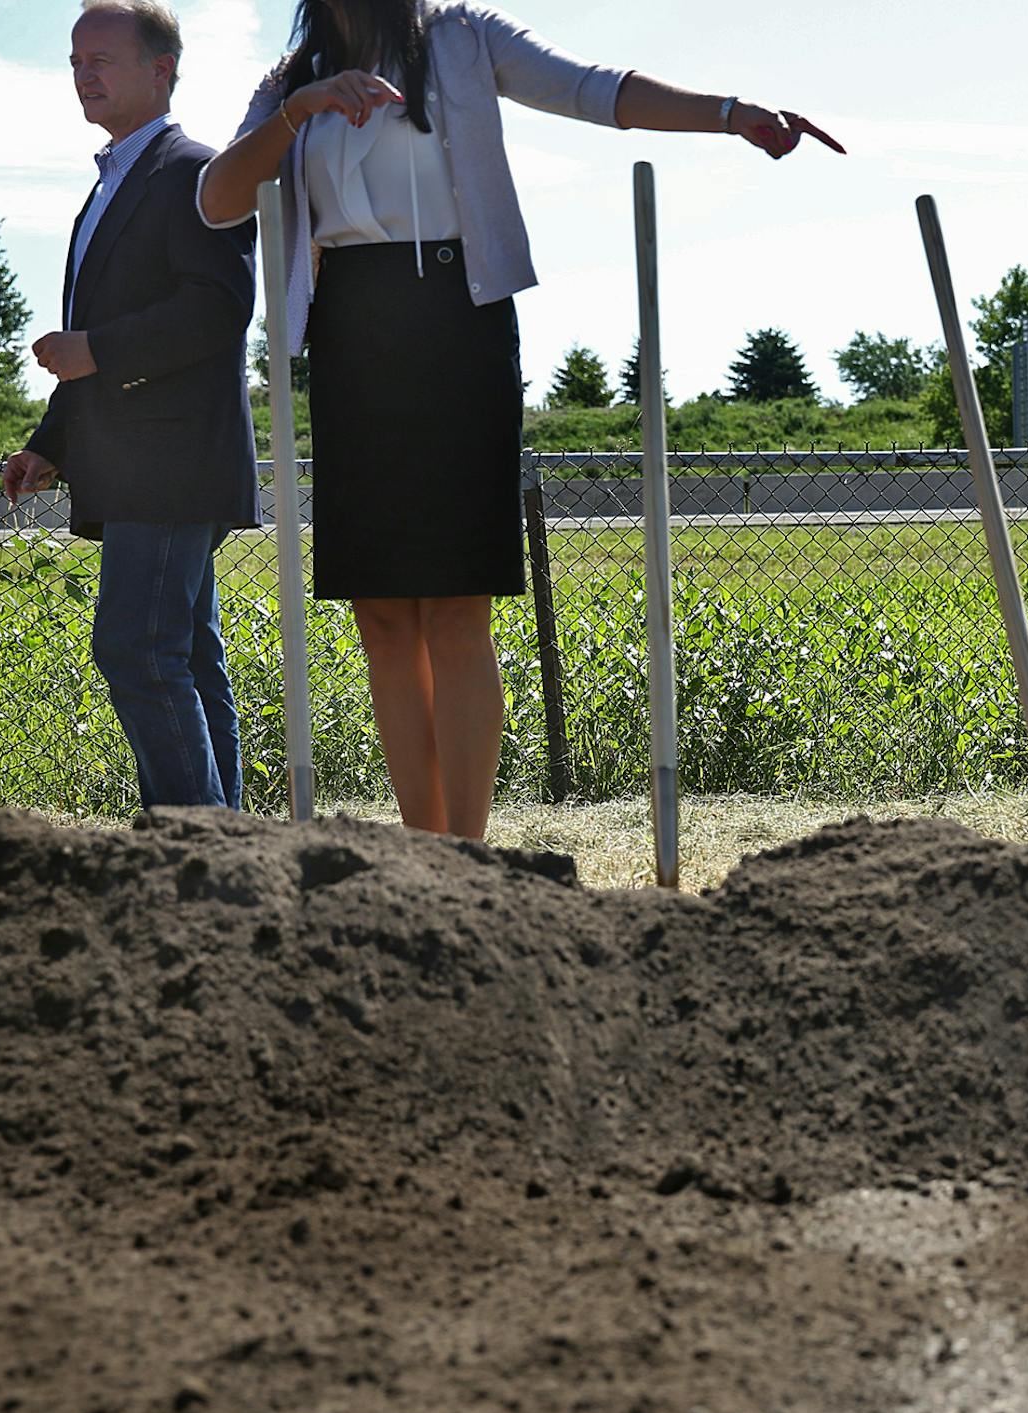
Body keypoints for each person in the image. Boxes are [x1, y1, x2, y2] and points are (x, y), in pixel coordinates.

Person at [197, 0, 840, 841]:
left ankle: (465, 852)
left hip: (459, 321)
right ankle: (423, 854)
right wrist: (299, 112)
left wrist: (726, 114)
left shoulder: (464, 38)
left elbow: (594, 90)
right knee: (383, 614)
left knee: (457, 604)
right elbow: (216, 200)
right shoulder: (289, 84)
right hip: (350, 335)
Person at [4, 0, 261, 811]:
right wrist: (53, 442)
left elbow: (219, 307)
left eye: (102, 60)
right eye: (75, 62)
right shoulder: (110, 184)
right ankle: (226, 848)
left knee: (138, 649)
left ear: (161, 71)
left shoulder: (192, 172)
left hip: (174, 460)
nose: (84, 75)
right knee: (182, 652)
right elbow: (92, 337)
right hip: (142, 460)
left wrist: (97, 352)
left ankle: (200, 853)